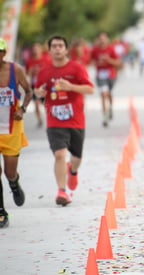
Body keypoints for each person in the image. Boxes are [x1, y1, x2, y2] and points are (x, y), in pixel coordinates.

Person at [34, 35, 94, 206]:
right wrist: (39, 93)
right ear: (50, 50)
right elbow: (38, 89)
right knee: (60, 154)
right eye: (54, 46)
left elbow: (90, 89)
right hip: (54, 119)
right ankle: (61, 191)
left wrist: (71, 87)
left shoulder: (76, 68)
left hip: (75, 119)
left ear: (66, 49)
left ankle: (73, 171)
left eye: (61, 46)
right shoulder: (44, 71)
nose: (58, 48)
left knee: (76, 157)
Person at [0, 38, 33, 228]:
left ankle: (14, 183)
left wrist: (22, 110)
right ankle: (1, 211)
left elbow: (29, 92)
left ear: (4, 54)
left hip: (11, 128)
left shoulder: (15, 70)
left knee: (9, 171)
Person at [91, 32, 122, 127]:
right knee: (103, 94)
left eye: (104, 39)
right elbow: (91, 60)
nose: (102, 41)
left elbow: (118, 63)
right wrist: (97, 63)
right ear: (98, 40)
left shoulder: (111, 49)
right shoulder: (95, 50)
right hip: (100, 75)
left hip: (111, 75)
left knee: (109, 94)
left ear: (107, 40)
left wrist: (109, 60)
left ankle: (111, 108)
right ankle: (105, 117)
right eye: (100, 39)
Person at [25, 42, 51, 128]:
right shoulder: (29, 61)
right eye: (34, 49)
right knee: (36, 104)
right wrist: (31, 71)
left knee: (46, 104)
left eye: (37, 48)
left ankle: (50, 120)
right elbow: (27, 73)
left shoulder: (46, 59)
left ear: (40, 49)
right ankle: (40, 120)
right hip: (35, 85)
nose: (36, 50)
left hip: (45, 85)